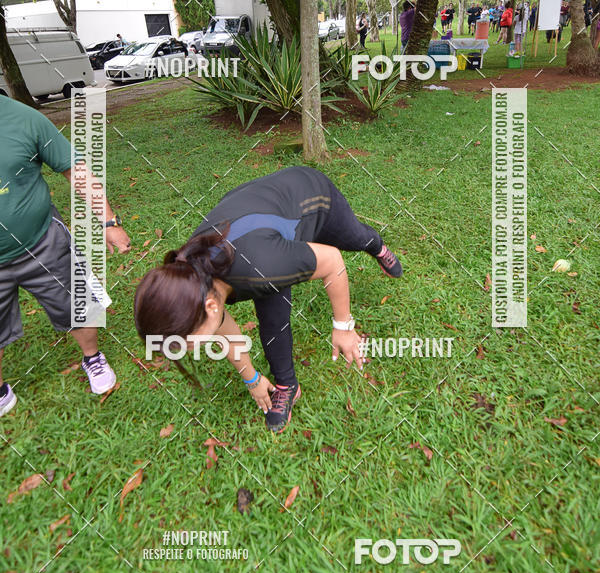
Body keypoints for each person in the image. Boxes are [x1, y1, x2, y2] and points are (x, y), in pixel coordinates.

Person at [134, 167, 403, 434]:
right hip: (264, 220)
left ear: (210, 306)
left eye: (187, 344)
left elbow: (332, 261)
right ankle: (287, 385)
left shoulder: (259, 269)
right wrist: (251, 378)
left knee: (356, 237)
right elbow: (222, 326)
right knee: (273, 317)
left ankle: (377, 246)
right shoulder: (190, 271)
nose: (189, 351)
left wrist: (343, 326)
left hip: (312, 197)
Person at [0, 95, 132, 417]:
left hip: (42, 242)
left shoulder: (25, 119)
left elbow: (77, 171)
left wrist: (109, 222)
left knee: (77, 304)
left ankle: (92, 357)